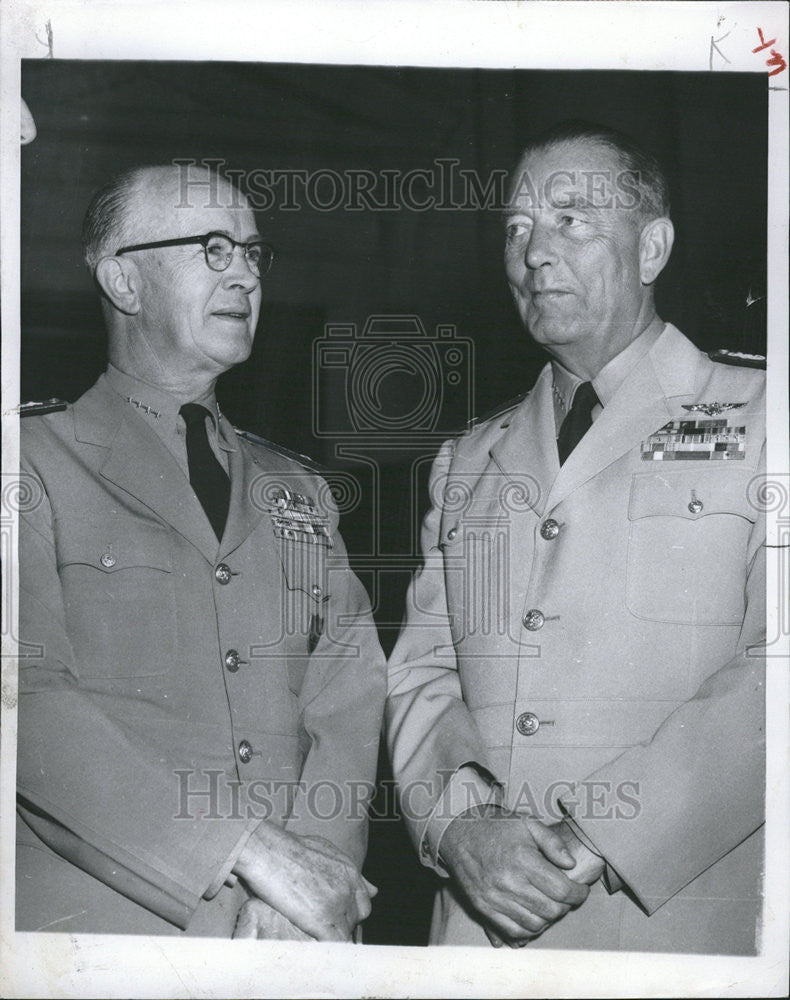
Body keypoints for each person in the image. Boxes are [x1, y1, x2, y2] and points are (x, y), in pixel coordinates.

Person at [386, 121, 767, 953]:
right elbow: (424, 672)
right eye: (518, 228)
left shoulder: (764, 417)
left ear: (653, 247)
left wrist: (593, 837)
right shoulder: (467, 459)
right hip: (480, 930)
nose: (534, 252)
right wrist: (462, 829)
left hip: (675, 927)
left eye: (571, 219)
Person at [16, 164, 386, 941]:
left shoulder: (302, 492)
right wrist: (250, 853)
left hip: (290, 939)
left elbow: (346, 701)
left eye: (254, 254)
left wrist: (309, 875)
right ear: (123, 280)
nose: (245, 275)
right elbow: (26, 701)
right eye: (213, 249)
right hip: (102, 932)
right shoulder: (29, 461)